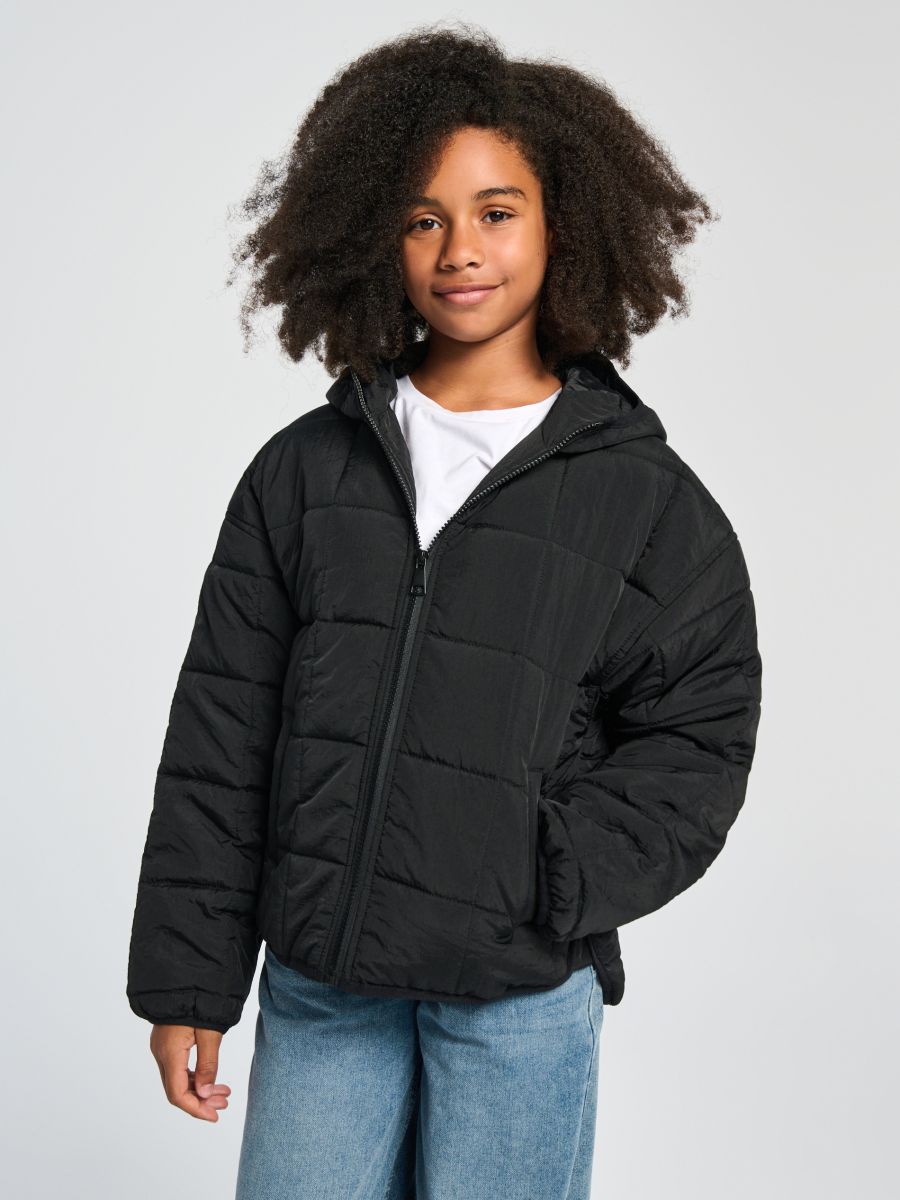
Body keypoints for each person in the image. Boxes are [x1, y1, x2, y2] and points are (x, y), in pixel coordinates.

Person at [126, 22, 763, 1199]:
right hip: (324, 988)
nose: (461, 248)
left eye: (496, 211)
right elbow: (222, 738)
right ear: (375, 235)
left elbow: (699, 737)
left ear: (565, 224)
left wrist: (549, 879)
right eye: (423, 218)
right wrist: (188, 982)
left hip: (517, 999)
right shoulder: (305, 473)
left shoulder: (643, 499)